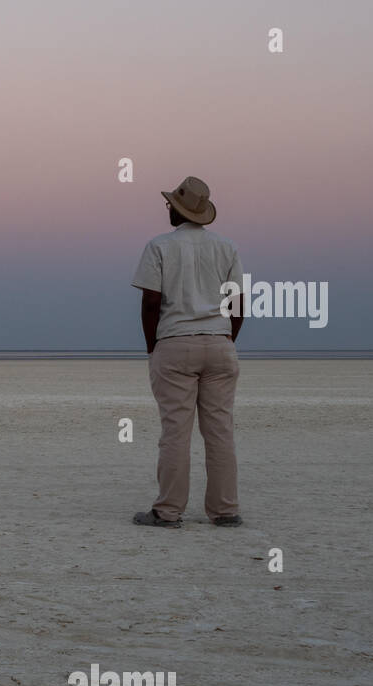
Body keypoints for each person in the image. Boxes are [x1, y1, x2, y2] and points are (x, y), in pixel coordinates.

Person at [129, 176, 245, 528]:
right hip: (219, 345)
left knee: (176, 432)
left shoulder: (159, 246)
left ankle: (168, 511)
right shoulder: (226, 248)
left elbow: (151, 303)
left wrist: (154, 346)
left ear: (176, 210)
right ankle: (225, 511)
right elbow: (237, 305)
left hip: (175, 344)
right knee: (220, 430)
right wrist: (225, 339)